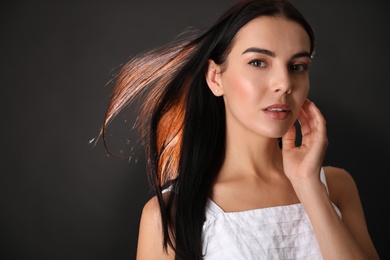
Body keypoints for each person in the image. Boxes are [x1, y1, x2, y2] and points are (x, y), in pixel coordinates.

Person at [99, 0, 380, 259]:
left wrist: (308, 185)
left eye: (297, 66)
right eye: (258, 62)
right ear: (215, 78)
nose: (284, 83)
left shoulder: (337, 187)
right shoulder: (171, 214)